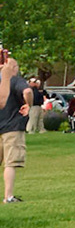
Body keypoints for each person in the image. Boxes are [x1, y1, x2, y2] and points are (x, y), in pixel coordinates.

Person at [2, 52, 28, 203]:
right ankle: (8, 196)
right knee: (10, 163)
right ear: (14, 68)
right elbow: (27, 91)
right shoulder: (16, 81)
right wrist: (28, 104)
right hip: (12, 126)